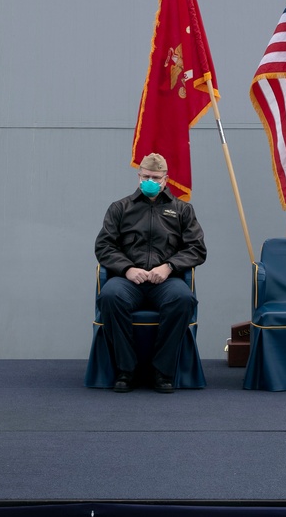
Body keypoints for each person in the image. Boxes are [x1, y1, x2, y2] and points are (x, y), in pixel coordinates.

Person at [94, 153, 206, 394]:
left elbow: (196, 248)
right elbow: (104, 246)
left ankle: (162, 371)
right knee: (110, 297)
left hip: (165, 281)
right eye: (146, 176)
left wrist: (169, 267)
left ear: (166, 180)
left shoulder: (182, 210)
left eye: (155, 178)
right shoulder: (120, 208)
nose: (150, 181)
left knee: (184, 299)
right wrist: (127, 268)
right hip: (128, 281)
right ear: (138, 176)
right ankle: (127, 370)